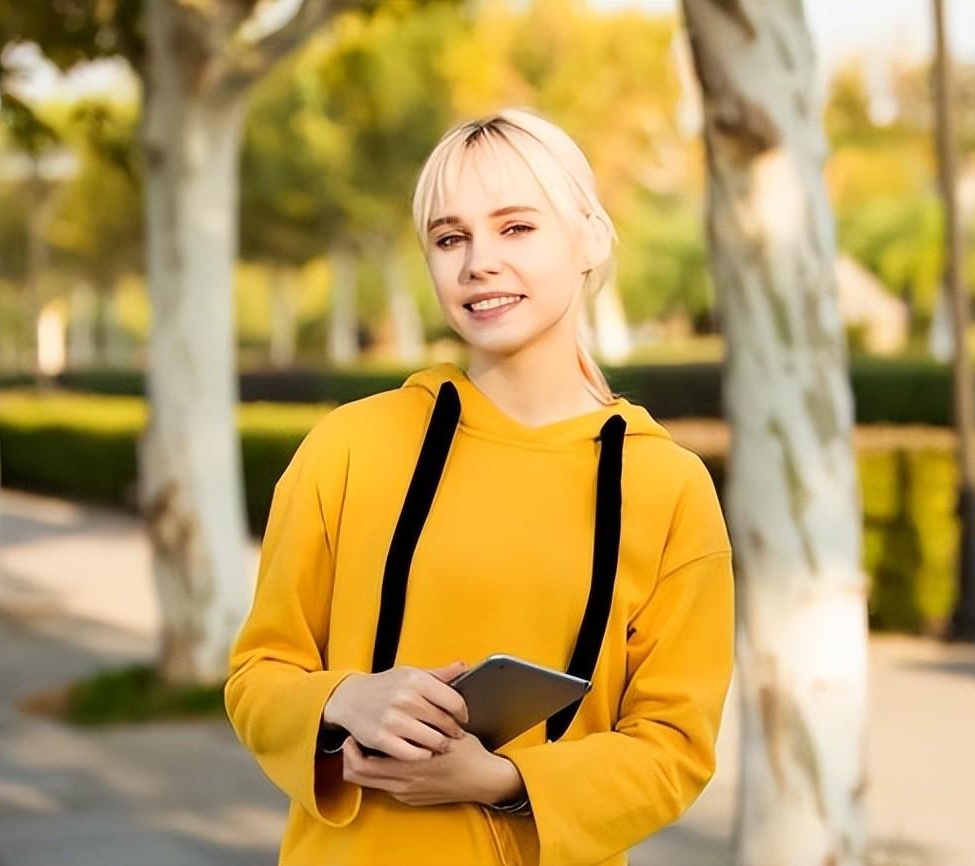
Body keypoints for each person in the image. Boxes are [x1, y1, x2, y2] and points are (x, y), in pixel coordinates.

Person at [224, 107, 736, 866]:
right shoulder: (349, 446)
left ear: (589, 238)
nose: (478, 264)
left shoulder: (667, 487)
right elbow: (258, 676)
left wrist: (497, 779)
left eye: (517, 228)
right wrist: (340, 701)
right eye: (449, 237)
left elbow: (673, 747)